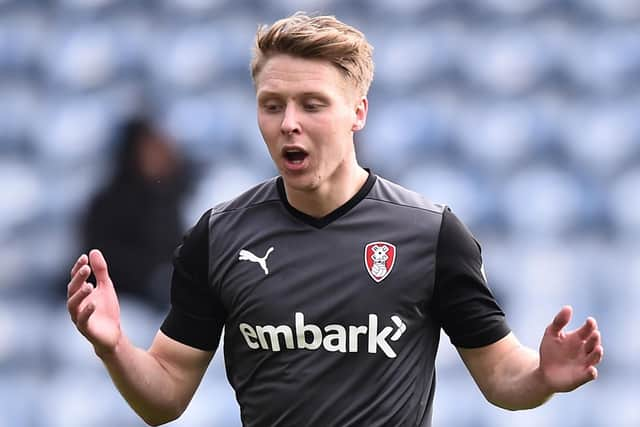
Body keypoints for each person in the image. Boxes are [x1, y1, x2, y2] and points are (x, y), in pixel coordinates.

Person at [66, 12, 604, 427]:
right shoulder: (219, 235)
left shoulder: (430, 234)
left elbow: (501, 376)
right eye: (272, 105)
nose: (289, 124)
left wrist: (542, 377)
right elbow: (165, 396)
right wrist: (113, 348)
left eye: (312, 104)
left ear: (358, 112)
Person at [80, 116, 194, 310]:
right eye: (149, 149)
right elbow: (101, 259)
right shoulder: (107, 204)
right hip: (119, 303)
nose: (160, 156)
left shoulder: (174, 196)